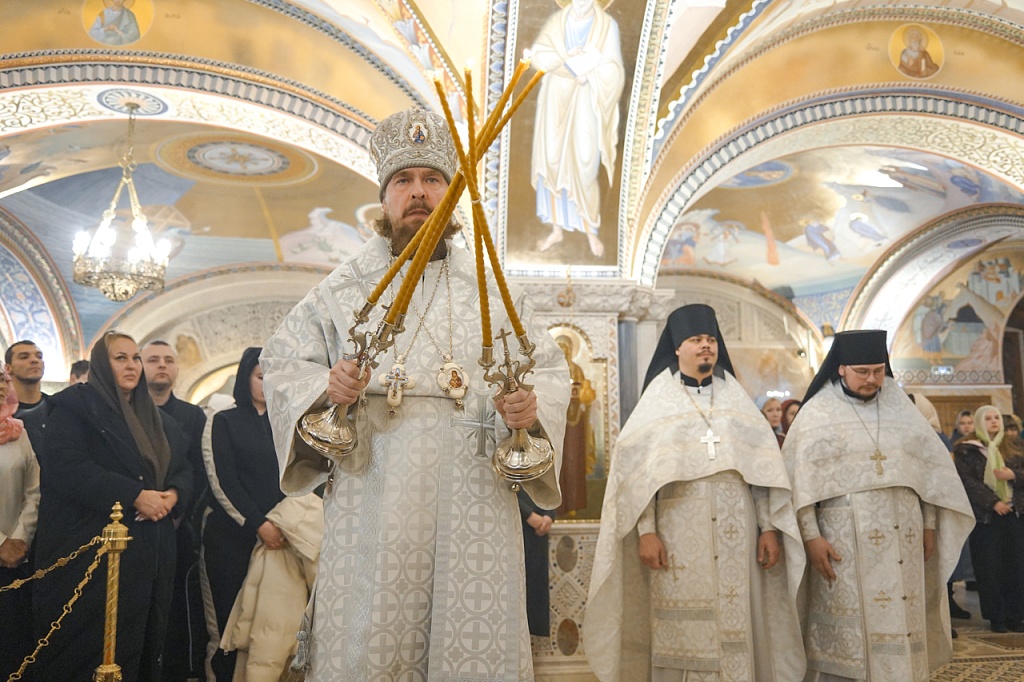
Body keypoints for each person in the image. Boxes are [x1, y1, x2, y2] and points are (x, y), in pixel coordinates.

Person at [260, 107, 569, 680]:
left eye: (432, 179)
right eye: (403, 180)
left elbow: (548, 370)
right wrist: (326, 386)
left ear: (452, 195)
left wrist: (531, 409)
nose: (419, 192)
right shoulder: (343, 289)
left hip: (476, 496)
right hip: (374, 491)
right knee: (374, 640)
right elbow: (280, 364)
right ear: (384, 198)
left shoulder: (493, 290)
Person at [586, 304, 805, 682]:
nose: (706, 346)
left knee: (738, 620)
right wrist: (646, 532)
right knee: (683, 626)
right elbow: (638, 478)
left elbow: (761, 473)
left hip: (738, 532)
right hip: (678, 531)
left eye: (710, 339)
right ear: (677, 347)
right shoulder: (657, 400)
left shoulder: (735, 398)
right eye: (695, 340)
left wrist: (768, 527)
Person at [782, 330, 973, 681]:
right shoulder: (816, 413)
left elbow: (928, 476)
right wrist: (811, 537)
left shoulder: (902, 410)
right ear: (841, 368)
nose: (872, 379)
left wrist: (929, 525)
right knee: (851, 628)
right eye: (862, 372)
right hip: (844, 540)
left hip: (905, 537)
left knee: (903, 616)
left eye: (878, 371)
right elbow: (800, 483)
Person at [32, 330, 192, 681]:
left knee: (143, 641)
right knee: (90, 646)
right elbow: (67, 467)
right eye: (120, 358)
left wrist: (173, 494)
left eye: (135, 358)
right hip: (91, 549)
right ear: (102, 365)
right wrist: (134, 495)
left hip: (149, 550)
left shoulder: (157, 419)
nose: (131, 365)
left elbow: (182, 466)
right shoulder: (74, 408)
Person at [201, 347, 285, 681]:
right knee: (227, 622)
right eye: (261, 376)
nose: (267, 383)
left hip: (279, 536)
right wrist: (257, 523)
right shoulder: (225, 420)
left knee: (267, 623)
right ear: (245, 377)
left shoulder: (284, 423)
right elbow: (224, 480)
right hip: (231, 538)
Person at [530, 0, 624, 258]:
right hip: (555, 100)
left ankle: (591, 229)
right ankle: (556, 229)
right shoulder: (557, 21)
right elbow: (537, 54)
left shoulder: (607, 25)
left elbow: (614, 68)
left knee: (585, 162)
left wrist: (590, 75)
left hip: (586, 99)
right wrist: (566, 58)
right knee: (552, 160)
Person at [141, 339, 209, 681]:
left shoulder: (193, 416)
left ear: (177, 368)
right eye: (153, 359)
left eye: (168, 360)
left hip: (177, 526)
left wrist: (178, 512)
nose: (162, 365)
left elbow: (199, 470)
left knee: (174, 607)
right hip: (134, 524)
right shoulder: (127, 413)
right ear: (141, 366)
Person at [953, 405, 1024, 632]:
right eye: (988, 418)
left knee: (1016, 566)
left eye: (996, 418)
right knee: (990, 567)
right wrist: (993, 502)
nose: (994, 421)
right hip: (986, 518)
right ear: (979, 422)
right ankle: (997, 617)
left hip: (1016, 513)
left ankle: (1016, 616)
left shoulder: (1015, 446)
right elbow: (968, 482)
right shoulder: (967, 449)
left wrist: (1014, 475)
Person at [0, 368, 40, 677]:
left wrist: (20, 537)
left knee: (13, 647)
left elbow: (33, 489)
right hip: (5, 548)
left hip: (15, 559)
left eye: (3, 380)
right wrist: (1, 542)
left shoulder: (17, 431)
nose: (1, 386)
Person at [518, 489, 555, 638]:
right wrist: (527, 514)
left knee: (534, 590)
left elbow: (547, 483)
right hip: (512, 520)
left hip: (537, 528)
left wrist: (549, 514)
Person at [4, 340, 48, 415]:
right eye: (24, 357)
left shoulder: (58, 407)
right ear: (8, 368)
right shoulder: (2, 409)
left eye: (39, 357)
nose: (35, 360)